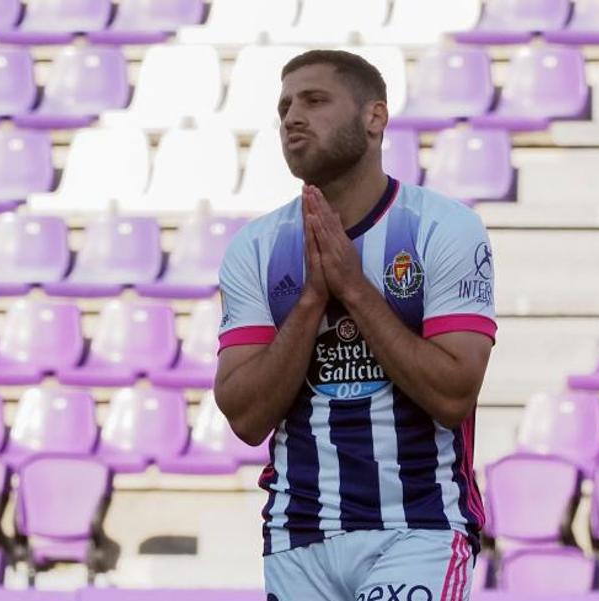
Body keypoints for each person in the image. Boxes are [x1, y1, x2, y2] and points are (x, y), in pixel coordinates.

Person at [213, 50, 497, 601]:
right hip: (297, 538)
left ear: (375, 118)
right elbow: (245, 416)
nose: (292, 116)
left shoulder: (442, 227)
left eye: (315, 101)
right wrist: (313, 300)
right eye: (285, 105)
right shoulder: (256, 246)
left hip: (418, 529)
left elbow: (453, 392)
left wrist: (353, 288)